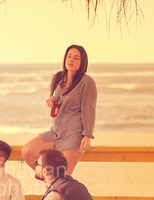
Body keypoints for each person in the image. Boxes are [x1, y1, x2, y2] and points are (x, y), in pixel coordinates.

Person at [21, 45, 97, 176]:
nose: (71, 60)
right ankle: (50, 180)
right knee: (27, 151)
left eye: (76, 58)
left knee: (63, 175)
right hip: (56, 131)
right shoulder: (58, 78)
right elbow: (55, 100)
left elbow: (89, 109)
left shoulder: (87, 82)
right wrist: (51, 102)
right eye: (69, 56)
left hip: (74, 134)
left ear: (83, 62)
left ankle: (55, 185)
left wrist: (87, 135)